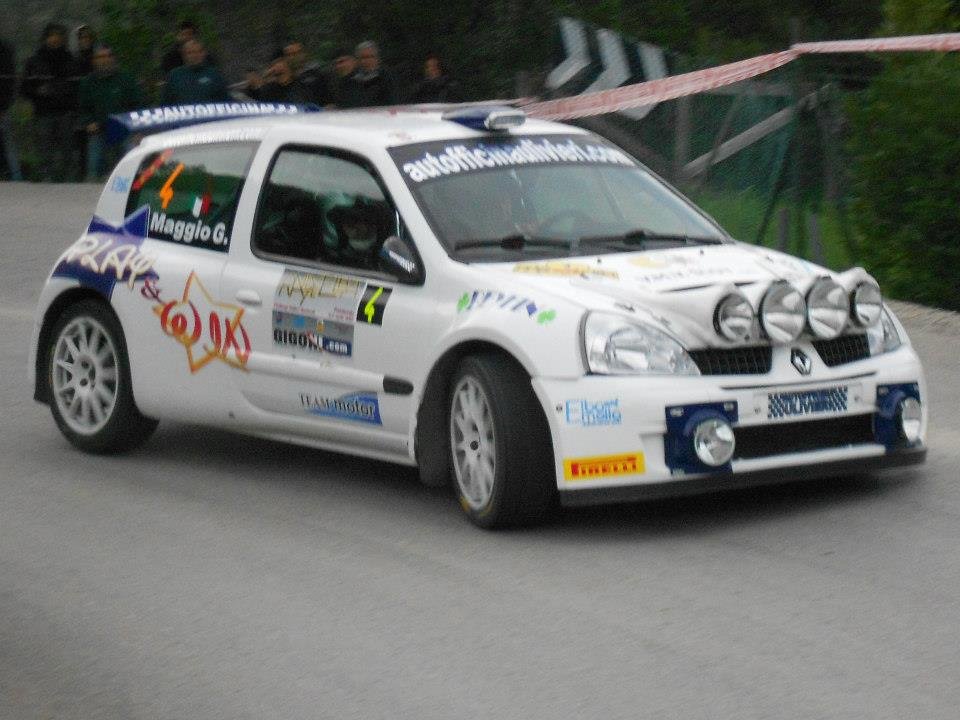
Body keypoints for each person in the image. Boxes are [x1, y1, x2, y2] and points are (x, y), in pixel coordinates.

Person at [22, 23, 79, 181]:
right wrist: (38, 91)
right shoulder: (34, 61)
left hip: (65, 111)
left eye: (58, 35)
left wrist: (65, 93)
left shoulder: (70, 60)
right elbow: (25, 88)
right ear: (45, 38)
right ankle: (46, 176)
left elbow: (76, 86)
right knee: (44, 146)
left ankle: (67, 177)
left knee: (67, 146)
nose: (54, 39)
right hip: (43, 111)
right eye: (51, 35)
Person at [78, 45, 142, 181]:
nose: (105, 60)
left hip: (124, 130)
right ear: (94, 60)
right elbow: (83, 108)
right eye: (101, 57)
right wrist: (88, 122)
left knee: (131, 169)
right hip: (98, 131)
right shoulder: (87, 82)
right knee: (94, 171)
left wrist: (138, 130)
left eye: (108, 56)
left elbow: (138, 104)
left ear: (113, 58)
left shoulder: (126, 79)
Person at [161, 39, 230, 105]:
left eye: (198, 52)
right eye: (190, 53)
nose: (195, 55)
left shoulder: (214, 74)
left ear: (204, 53)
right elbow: (166, 103)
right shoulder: (175, 75)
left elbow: (225, 100)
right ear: (184, 55)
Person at [247, 52, 313, 104]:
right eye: (272, 65)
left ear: (286, 62)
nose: (275, 67)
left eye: (278, 62)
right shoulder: (268, 90)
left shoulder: (302, 86)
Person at [0, 36, 22, 180]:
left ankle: (16, 176)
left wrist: (3, 106)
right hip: (4, 105)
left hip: (2, 107)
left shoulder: (5, 51)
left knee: (8, 144)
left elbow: (8, 83)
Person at [282, 41, 329, 106]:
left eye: (296, 53)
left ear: (303, 54)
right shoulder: (281, 78)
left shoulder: (317, 74)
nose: (293, 57)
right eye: (289, 55)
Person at [352, 41, 396, 107]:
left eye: (370, 57)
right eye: (363, 57)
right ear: (358, 60)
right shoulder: (352, 80)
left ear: (377, 59)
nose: (367, 61)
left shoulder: (387, 78)